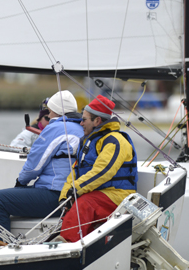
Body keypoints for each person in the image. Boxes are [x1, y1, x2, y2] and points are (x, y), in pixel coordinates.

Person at [0, 90, 83, 239]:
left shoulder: (56, 128)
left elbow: (34, 165)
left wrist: (20, 182)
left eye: (50, 110)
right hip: (70, 195)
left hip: (55, 195)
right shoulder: (80, 128)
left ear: (53, 110)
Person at [56, 94, 137, 242]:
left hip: (117, 196)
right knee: (76, 205)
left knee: (85, 203)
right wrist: (64, 197)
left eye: (84, 119)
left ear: (97, 121)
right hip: (97, 194)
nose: (81, 123)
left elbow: (103, 171)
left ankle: (68, 244)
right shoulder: (87, 142)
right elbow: (75, 172)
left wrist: (75, 190)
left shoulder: (115, 141)